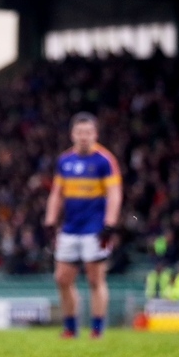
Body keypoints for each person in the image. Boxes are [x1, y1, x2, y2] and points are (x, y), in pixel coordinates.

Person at [43, 112, 123, 339]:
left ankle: (96, 329)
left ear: (95, 134)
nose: (84, 136)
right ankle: (71, 327)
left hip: (95, 229)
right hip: (70, 228)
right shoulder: (64, 160)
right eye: (80, 132)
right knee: (62, 278)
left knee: (95, 279)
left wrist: (109, 224)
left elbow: (114, 193)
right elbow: (56, 193)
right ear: (72, 135)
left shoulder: (105, 160)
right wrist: (50, 220)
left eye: (88, 132)